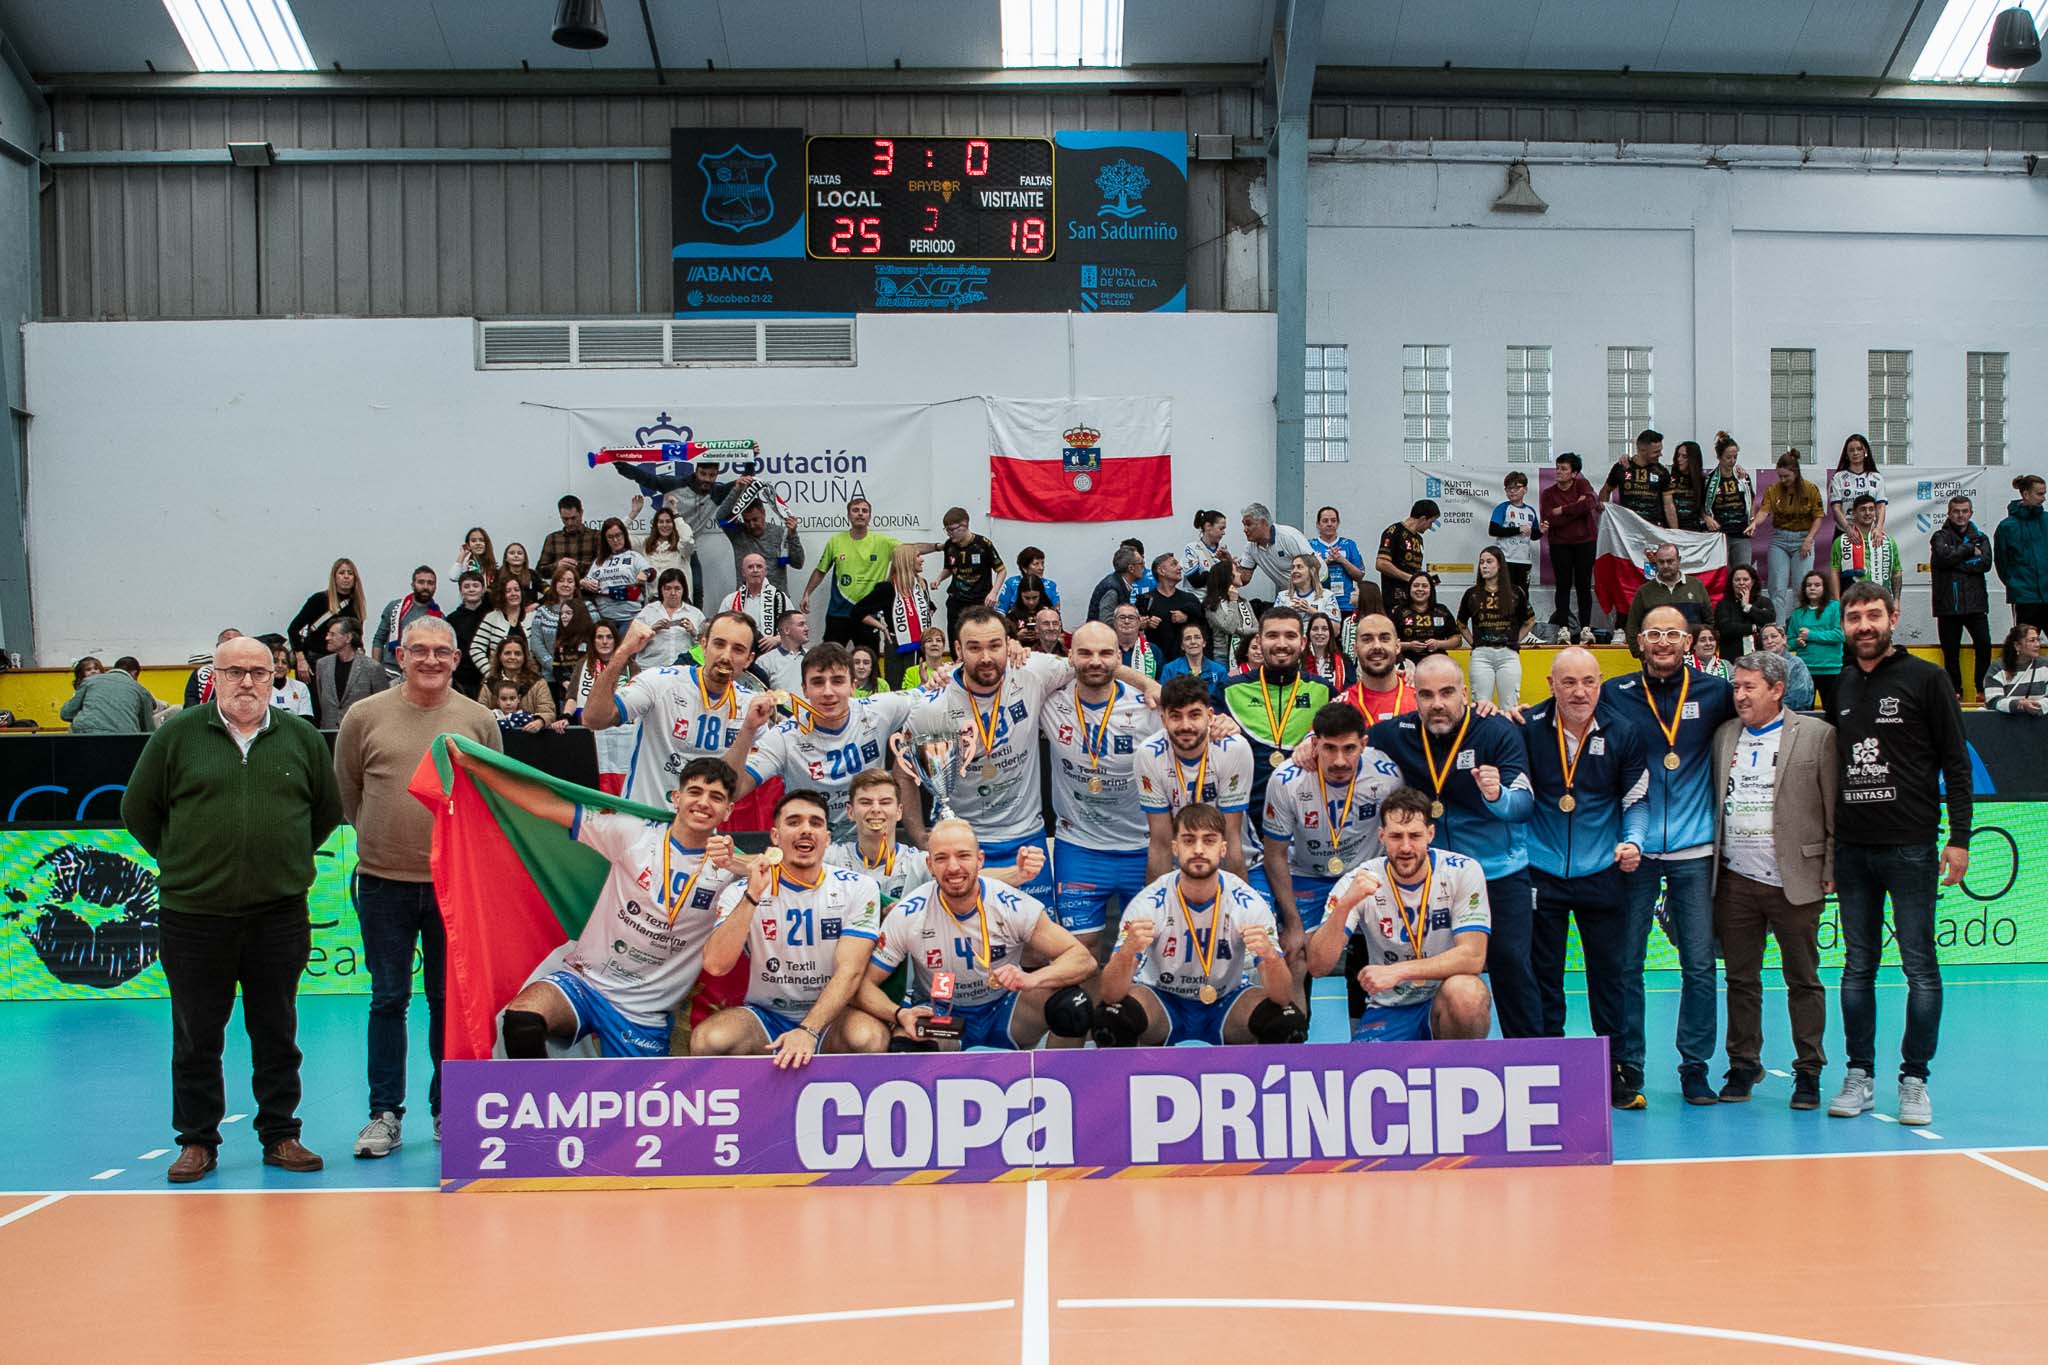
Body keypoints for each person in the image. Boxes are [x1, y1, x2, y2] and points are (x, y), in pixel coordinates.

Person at [122, 635, 340, 1183]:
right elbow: (138, 810)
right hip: (193, 917)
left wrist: (280, 862)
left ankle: (281, 1135)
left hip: (278, 915)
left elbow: (325, 812)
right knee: (196, 1034)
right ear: (213, 678)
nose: (247, 682)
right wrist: (186, 862)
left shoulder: (302, 739)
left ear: (276, 678)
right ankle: (197, 1141)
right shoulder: (176, 737)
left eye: (259, 672)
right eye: (235, 671)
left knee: (277, 1030)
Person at [335, 617, 502, 1155]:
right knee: (387, 998)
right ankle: (384, 1114)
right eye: (419, 651)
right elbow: (349, 791)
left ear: (457, 660)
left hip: (455, 886)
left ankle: (446, 1110)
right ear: (399, 657)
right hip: (382, 884)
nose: (430, 660)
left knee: (447, 1001)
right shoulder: (363, 717)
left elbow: (494, 797)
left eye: (441, 652)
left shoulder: (479, 721)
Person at [459, 752, 743, 1058]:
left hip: (643, 1014)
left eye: (716, 797)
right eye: (695, 792)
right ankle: (541, 1102)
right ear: (676, 797)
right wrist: (471, 764)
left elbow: (783, 870)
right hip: (585, 983)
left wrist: (742, 862)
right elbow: (545, 805)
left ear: (728, 811)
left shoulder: (729, 869)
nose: (703, 802)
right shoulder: (633, 833)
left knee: (639, 1103)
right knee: (523, 1020)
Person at [1830, 581, 1971, 1127]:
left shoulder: (1927, 679)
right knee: (1857, 967)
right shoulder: (1839, 685)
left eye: (1872, 616)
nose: (1864, 626)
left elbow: (1957, 767)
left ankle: (1914, 1080)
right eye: (1854, 618)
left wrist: (1958, 837)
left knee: (1921, 970)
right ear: (1843, 626)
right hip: (1853, 852)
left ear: (1893, 617)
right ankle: (1859, 1075)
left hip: (1912, 848)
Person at [1601, 604, 1737, 1105]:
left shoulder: (1716, 692)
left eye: (1672, 634)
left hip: (1695, 851)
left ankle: (1695, 1067)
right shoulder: (1614, 694)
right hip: (1634, 852)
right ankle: (1629, 1067)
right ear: (1639, 642)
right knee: (1627, 964)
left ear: (1689, 643)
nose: (1662, 642)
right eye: (1652, 633)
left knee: (1700, 963)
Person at [1368, 655, 1536, 1037]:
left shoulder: (1496, 731)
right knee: (1444, 976)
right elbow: (1346, 736)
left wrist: (1497, 796)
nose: (1437, 703)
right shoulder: (1398, 732)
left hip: (1498, 872)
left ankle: (1529, 1059)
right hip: (1436, 883)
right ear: (1415, 697)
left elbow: (1523, 804)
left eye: (1446, 692)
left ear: (1465, 693)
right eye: (1426, 695)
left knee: (1513, 967)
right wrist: (1310, 744)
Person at [1519, 647, 1649, 1107]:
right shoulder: (1528, 728)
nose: (1579, 692)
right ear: (1551, 684)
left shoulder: (1625, 732)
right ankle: (1549, 1066)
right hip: (1542, 871)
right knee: (1544, 976)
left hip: (1602, 871)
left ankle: (1614, 1068)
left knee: (1610, 977)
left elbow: (1636, 799)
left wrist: (1633, 841)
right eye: (1569, 682)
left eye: (1588, 682)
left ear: (1600, 684)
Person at [1713, 650, 1836, 1110]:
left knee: (1803, 978)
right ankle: (1744, 1063)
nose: (1740, 696)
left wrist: (1829, 869)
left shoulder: (1817, 736)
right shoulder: (1725, 735)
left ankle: (1809, 1071)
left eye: (1749, 687)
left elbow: (1832, 810)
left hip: (1795, 878)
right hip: (1735, 880)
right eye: (1736, 687)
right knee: (1741, 980)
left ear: (1777, 689)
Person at [857, 819, 1097, 1050]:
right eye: (941, 858)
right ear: (930, 866)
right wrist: (900, 1014)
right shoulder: (908, 913)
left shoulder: (1011, 904)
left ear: (979, 860)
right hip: (942, 1012)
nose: (953, 867)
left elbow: (1082, 959)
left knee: (1073, 1008)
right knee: (905, 1045)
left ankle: (1050, 1084)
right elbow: (863, 984)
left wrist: (1032, 980)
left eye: (963, 856)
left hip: (1005, 1008)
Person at [693, 789, 889, 1063]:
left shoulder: (858, 887)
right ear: (775, 837)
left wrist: (808, 1029)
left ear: (827, 839)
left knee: (868, 1038)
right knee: (709, 1040)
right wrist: (752, 896)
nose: (806, 830)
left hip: (832, 1016)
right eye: (794, 822)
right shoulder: (740, 891)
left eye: (816, 823)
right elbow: (715, 964)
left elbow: (850, 971)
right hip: (767, 1017)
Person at [907, 607, 1089, 899]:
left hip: (1026, 837)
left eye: (995, 645)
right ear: (957, 649)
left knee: (1035, 939)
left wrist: (1147, 685)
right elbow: (904, 770)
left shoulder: (1032, 671)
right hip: (964, 842)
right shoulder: (933, 704)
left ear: (1009, 643)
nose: (986, 657)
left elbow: (1093, 661)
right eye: (974, 647)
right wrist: (917, 833)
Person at [1090, 804, 1298, 1048]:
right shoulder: (1148, 902)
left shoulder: (1249, 903)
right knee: (1112, 1018)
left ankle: (1249, 1082)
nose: (1198, 850)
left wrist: (1270, 957)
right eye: (1189, 840)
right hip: (1162, 999)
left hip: (1225, 1000)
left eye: (1209, 841)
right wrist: (1126, 952)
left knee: (1286, 1021)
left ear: (1223, 849)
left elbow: (1283, 996)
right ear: (1175, 848)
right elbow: (1109, 994)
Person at [1308, 787, 1494, 1042]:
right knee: (1363, 1074)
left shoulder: (1463, 871)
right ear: (1382, 836)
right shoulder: (1359, 879)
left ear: (1430, 834)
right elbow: (1318, 966)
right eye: (1396, 836)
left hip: (1441, 1000)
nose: (1406, 847)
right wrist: (1344, 907)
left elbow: (1473, 957)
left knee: (1468, 994)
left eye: (1415, 836)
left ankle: (1461, 1072)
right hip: (1389, 1006)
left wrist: (1399, 971)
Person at [1040, 621, 1166, 947]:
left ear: (1118, 658)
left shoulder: (1149, 707)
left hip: (1141, 847)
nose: (1095, 661)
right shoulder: (1050, 701)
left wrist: (1222, 724)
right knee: (1080, 952)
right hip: (1079, 848)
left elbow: (1195, 727)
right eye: (1085, 652)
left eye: (1105, 653)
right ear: (1070, 656)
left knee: (1143, 949)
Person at [1261, 701, 1402, 981]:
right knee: (1295, 953)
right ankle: (1296, 1026)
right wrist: (1292, 924)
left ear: (1363, 744)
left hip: (1364, 875)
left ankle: (1362, 1023)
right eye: (1329, 748)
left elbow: (1397, 841)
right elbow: (1274, 853)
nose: (1339, 760)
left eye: (1349, 748)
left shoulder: (1387, 777)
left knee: (1377, 953)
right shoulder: (1286, 780)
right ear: (1314, 745)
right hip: (1306, 876)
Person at [727, 641, 919, 841]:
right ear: (805, 689)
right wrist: (748, 729)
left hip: (870, 838)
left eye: (837, 681)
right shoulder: (785, 736)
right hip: (812, 845)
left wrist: (942, 676)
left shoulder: (878, 709)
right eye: (818, 682)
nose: (828, 692)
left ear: (853, 686)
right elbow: (731, 791)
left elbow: (937, 694)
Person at [586, 609, 761, 805]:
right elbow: (593, 719)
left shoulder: (752, 708)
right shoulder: (661, 681)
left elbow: (734, 791)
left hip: (701, 828)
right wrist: (623, 653)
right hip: (643, 823)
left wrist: (749, 728)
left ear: (749, 659)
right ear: (703, 645)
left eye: (738, 649)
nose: (725, 656)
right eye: (719, 644)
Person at [1220, 609, 1332, 831]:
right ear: (1259, 641)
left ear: (1302, 642)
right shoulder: (1229, 690)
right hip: (1247, 822)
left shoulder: (1325, 691)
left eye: (1290, 636)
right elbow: (1183, 710)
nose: (1281, 644)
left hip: (1308, 820)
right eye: (1272, 636)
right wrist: (1215, 723)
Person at [1137, 675, 1257, 883]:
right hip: (1181, 866)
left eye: (1194, 715)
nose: (1186, 726)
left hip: (1241, 862)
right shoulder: (1148, 754)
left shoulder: (1234, 748)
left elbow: (1232, 837)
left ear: (1210, 716)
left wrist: (1237, 907)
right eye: (1176, 716)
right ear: (1163, 718)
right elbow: (1161, 842)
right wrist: (1157, 905)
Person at [807, 496, 916, 649]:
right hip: (838, 614)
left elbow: (909, 550)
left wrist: (938, 547)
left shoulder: (882, 542)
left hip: (868, 615)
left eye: (864, 511)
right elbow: (820, 571)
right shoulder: (835, 541)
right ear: (848, 515)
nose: (860, 514)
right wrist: (807, 593)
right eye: (855, 510)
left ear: (869, 516)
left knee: (869, 661)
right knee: (831, 660)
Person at [827, 769, 931, 907]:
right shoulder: (830, 860)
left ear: (899, 811)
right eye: (865, 802)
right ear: (850, 812)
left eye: (885, 802)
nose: (876, 809)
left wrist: (905, 916)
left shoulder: (922, 864)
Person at [1930, 494, 1995, 702]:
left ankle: (1982, 689)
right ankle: (1954, 691)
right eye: (1956, 511)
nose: (1960, 515)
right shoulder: (1939, 536)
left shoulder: (1981, 538)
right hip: (1948, 605)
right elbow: (1943, 557)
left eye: (1964, 511)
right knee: (1951, 652)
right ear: (1949, 513)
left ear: (1971, 513)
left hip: (1976, 605)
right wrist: (1968, 550)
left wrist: (1955, 560)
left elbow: (1984, 564)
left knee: (1984, 645)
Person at [1459, 545, 1534, 708]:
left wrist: (1515, 639)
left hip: (1508, 654)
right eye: (1481, 562)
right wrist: (1474, 643)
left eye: (1489, 562)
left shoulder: (1516, 592)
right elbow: (1461, 624)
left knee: (1510, 706)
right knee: (1480, 706)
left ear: (1499, 565)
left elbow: (1530, 620)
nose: (1484, 566)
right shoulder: (1471, 594)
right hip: (1481, 655)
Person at [1541, 452, 1600, 642]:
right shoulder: (1549, 493)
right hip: (1560, 544)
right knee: (1563, 586)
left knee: (1584, 586)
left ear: (1574, 473)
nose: (1558, 472)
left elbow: (1591, 503)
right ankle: (1563, 628)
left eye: (1563, 469)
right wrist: (1576, 507)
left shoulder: (1583, 485)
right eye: (1557, 467)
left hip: (1585, 542)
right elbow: (1549, 518)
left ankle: (1585, 628)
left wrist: (1564, 510)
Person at [1759, 449, 1824, 619]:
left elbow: (1818, 517)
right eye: (1779, 476)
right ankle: (1778, 630)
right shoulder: (1773, 490)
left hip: (1803, 539)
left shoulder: (1810, 489)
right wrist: (1753, 523)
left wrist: (1809, 540)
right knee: (1777, 587)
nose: (1782, 480)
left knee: (1801, 587)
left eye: (1786, 476)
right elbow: (1764, 511)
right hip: (1779, 540)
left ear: (1795, 472)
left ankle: (1799, 628)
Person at [717, 476, 807, 594]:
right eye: (747, 521)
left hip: (776, 598)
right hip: (746, 598)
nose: (752, 525)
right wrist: (737, 490)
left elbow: (798, 563)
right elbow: (721, 519)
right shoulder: (738, 533)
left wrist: (793, 535)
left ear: (763, 513)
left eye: (755, 519)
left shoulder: (781, 533)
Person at [1623, 543, 1711, 655]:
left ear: (1679, 560)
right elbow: (1632, 626)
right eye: (1661, 562)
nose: (1665, 565)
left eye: (1670, 561)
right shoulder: (1644, 592)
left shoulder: (1696, 586)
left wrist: (1702, 652)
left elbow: (1709, 622)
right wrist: (1641, 655)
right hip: (1658, 659)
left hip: (1694, 658)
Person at [287, 557, 366, 681]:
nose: (346, 577)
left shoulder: (356, 605)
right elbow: (293, 629)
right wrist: (301, 660)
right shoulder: (319, 600)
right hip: (315, 661)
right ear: (334, 577)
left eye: (350, 573)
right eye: (341, 573)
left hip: (342, 663)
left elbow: (357, 637)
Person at [933, 506, 1001, 642]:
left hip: (979, 600)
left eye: (952, 530)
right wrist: (939, 578)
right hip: (956, 600)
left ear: (965, 525)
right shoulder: (950, 545)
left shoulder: (983, 544)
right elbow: (950, 568)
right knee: (955, 639)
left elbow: (1001, 570)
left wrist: (993, 593)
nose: (949, 534)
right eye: (947, 530)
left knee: (980, 638)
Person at [1338, 612, 1415, 726]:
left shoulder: (1421, 699)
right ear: (1355, 649)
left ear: (1397, 646)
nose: (1377, 646)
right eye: (1367, 639)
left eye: (1384, 638)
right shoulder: (1341, 708)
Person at [1994, 473, 2048, 630]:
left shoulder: (2046, 520)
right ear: (2025, 494)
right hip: (2025, 597)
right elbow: (2001, 562)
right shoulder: (2007, 527)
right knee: (2025, 643)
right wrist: (2015, 584)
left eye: (2044, 493)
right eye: (2039, 494)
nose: (2043, 498)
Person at [530, 563, 593, 695]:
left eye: (570, 581)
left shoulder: (588, 607)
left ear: (576, 585)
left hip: (582, 677)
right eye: (561, 580)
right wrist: (554, 667)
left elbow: (594, 637)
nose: (565, 584)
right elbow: (536, 643)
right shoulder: (542, 611)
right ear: (554, 584)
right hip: (550, 677)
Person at [580, 516, 655, 627]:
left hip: (631, 617)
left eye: (618, 535)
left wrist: (645, 573)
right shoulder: (599, 561)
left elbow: (651, 572)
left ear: (624, 534)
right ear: (605, 540)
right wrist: (583, 582)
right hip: (605, 619)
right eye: (610, 537)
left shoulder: (634, 556)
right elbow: (587, 581)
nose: (615, 540)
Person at [1788, 571, 1844, 715]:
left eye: (1817, 585)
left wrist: (1811, 635)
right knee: (1804, 714)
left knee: (1833, 713)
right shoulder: (1797, 613)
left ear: (1825, 588)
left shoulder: (1835, 607)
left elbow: (1840, 635)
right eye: (1809, 585)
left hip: (1831, 670)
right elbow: (1789, 642)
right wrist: (1797, 642)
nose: (1812, 588)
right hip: (1805, 671)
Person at [370, 567, 442, 680]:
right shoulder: (395, 608)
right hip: (388, 672)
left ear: (435, 587)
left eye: (430, 583)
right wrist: (375, 671)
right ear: (413, 584)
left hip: (419, 674)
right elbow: (379, 639)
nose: (425, 587)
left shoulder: (439, 618)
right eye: (421, 582)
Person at [313, 617, 387, 728]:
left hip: (360, 734)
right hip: (329, 734)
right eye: (328, 634)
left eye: (333, 634)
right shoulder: (322, 665)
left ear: (348, 638)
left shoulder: (372, 668)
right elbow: (321, 699)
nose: (327, 638)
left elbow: (382, 706)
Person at [1829, 495, 1902, 601]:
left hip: (1881, 600)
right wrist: (1836, 601)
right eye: (1863, 509)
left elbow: (1896, 571)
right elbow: (1834, 572)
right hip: (1852, 599)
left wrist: (1896, 601)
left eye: (1871, 509)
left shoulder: (1888, 542)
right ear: (1854, 513)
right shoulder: (1840, 542)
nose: (1867, 513)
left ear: (1876, 513)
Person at [61, 655, 157, 734]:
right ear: (135, 673)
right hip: (123, 738)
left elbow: (66, 714)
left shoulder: (90, 681)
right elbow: (149, 731)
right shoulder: (140, 690)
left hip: (84, 734)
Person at [630, 568, 704, 670]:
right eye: (668, 588)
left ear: (684, 590)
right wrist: (651, 629)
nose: (673, 593)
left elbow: (706, 648)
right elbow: (631, 644)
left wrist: (694, 632)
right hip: (650, 670)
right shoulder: (648, 611)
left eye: (677, 588)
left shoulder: (695, 614)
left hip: (684, 672)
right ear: (661, 590)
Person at [1240, 501, 1315, 600]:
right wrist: (1228, 565)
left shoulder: (1288, 536)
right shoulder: (1250, 547)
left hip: (1317, 583)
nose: (1245, 529)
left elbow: (1313, 565)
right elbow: (1244, 578)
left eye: (1249, 524)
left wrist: (1310, 596)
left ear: (1263, 523)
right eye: (1244, 525)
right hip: (1291, 592)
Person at [1600, 427, 1675, 528]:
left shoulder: (1662, 472)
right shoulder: (1621, 467)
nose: (1660, 454)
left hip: (1654, 528)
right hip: (1628, 528)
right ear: (1642, 450)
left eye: (1660, 450)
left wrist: (1675, 533)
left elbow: (1669, 505)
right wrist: (1604, 513)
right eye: (1656, 452)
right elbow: (1606, 490)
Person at [1135, 552, 1203, 661]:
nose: (1180, 567)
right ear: (1161, 571)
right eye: (1174, 564)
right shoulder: (1145, 600)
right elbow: (1134, 629)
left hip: (1188, 663)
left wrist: (1187, 617)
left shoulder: (1190, 599)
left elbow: (1203, 626)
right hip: (1155, 662)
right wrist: (1145, 625)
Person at [1374, 499, 1440, 607]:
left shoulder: (1419, 539)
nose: (1430, 527)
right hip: (1395, 599)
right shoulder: (1394, 531)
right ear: (1423, 519)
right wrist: (1409, 578)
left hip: (1414, 599)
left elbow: (1412, 568)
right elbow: (1381, 563)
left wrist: (1425, 580)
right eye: (1431, 522)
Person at [479, 635, 557, 726]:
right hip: (497, 737)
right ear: (499, 657)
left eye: (517, 653)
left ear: (524, 657)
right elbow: (480, 713)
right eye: (507, 653)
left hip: (531, 736)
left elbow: (548, 711)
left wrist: (539, 722)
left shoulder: (538, 683)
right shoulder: (489, 684)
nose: (512, 657)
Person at [1488, 473, 1541, 605]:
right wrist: (1517, 529)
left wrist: (1542, 531)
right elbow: (1493, 530)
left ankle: (1521, 623)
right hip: (1506, 559)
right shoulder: (1503, 508)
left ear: (1525, 489)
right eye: (1508, 488)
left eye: (1516, 488)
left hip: (1523, 561)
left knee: (1522, 594)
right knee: (1504, 593)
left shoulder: (1530, 511)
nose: (1512, 491)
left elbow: (1534, 535)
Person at [1828, 433, 1888, 547]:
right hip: (1844, 532)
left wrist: (1879, 528)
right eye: (1851, 450)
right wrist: (1848, 529)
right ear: (1846, 454)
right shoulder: (1838, 477)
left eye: (1859, 449)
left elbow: (1881, 506)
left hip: (1870, 533)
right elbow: (1836, 508)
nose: (1855, 453)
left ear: (1865, 451)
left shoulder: (1876, 477)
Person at [1705, 432, 1755, 566]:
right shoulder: (1710, 481)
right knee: (1723, 576)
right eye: (1728, 457)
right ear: (1719, 457)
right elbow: (1702, 506)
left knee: (1743, 572)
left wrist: (1752, 521)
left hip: (1741, 533)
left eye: (1735, 457)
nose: (1732, 461)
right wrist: (1707, 518)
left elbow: (1751, 500)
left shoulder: (1742, 477)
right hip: (1720, 536)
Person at [723, 551, 795, 645]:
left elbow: (794, 628)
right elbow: (720, 629)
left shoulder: (780, 598)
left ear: (765, 571)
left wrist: (777, 639)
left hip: (773, 653)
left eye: (759, 566)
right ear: (743, 573)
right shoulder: (730, 600)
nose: (755, 570)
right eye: (750, 567)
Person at [1204, 553, 1258, 671]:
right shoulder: (1212, 604)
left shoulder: (1243, 601)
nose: (1240, 574)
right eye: (1236, 571)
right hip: (1223, 657)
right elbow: (1229, 627)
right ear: (1228, 577)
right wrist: (1233, 601)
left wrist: (1240, 631)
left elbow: (1257, 628)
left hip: (1245, 653)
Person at [1309, 505, 1368, 615]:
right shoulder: (1310, 545)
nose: (1330, 524)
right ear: (1318, 524)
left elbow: (1359, 575)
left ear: (1338, 523)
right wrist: (1326, 562)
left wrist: (1342, 560)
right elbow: (1307, 576)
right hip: (1319, 603)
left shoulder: (1349, 544)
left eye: (1333, 521)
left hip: (1345, 604)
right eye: (1325, 521)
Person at [444, 571, 491, 701]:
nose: (471, 589)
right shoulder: (452, 619)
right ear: (461, 591)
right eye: (467, 586)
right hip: (462, 678)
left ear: (483, 589)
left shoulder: (493, 615)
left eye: (475, 585)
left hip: (487, 674)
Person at [1392, 571, 1460, 662]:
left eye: (1424, 586)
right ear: (1409, 589)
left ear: (1431, 589)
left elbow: (1457, 640)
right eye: (1416, 585)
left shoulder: (1442, 610)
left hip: (1438, 662)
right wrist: (1409, 646)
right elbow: (1388, 642)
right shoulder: (1398, 611)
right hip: (1407, 663)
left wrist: (1438, 644)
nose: (1420, 589)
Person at [1713, 563, 1774, 661]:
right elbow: (1726, 628)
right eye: (1737, 580)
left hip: (1761, 659)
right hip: (1732, 659)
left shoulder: (1764, 602)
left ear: (1753, 582)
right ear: (1731, 583)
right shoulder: (1723, 604)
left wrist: (1747, 607)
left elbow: (1769, 619)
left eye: (1745, 579)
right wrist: (1753, 628)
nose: (1741, 583)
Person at [539, 494, 604, 584]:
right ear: (560, 515)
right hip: (560, 593)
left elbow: (604, 568)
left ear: (581, 513)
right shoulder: (552, 538)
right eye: (565, 519)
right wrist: (557, 566)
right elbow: (539, 571)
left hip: (588, 592)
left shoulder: (596, 536)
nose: (570, 523)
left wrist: (576, 565)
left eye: (573, 518)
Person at [1984, 623, 2048, 713]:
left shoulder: (2045, 665)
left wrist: (2039, 706)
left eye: (2038, 640)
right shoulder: (1998, 668)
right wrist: (2018, 704)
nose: (2037, 645)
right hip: (2006, 723)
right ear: (2017, 646)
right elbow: (1992, 700)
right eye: (2032, 640)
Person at [1758, 622, 1816, 711]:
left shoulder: (1796, 664)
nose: (1769, 641)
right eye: (1765, 638)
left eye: (1774, 636)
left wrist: (1769, 709)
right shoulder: (1758, 666)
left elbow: (1799, 700)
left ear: (1784, 639)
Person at [753, 608, 810, 694]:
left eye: (806, 624)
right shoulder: (765, 662)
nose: (807, 628)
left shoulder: (813, 657)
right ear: (786, 630)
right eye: (801, 624)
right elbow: (757, 694)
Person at [1159, 621, 1225, 693]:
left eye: (1197, 637)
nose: (1193, 642)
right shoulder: (1170, 670)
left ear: (1204, 643)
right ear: (1182, 646)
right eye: (1188, 638)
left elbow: (1223, 701)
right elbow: (1164, 699)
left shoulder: (1219, 671)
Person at [995, 545, 1063, 614]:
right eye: (1036, 564)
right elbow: (1001, 611)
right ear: (1024, 568)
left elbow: (1055, 612)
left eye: (1042, 563)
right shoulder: (1011, 583)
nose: (1041, 568)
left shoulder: (1051, 585)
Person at [1275, 552, 1340, 623]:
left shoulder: (1327, 595)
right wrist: (1289, 614)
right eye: (1293, 568)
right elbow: (1272, 624)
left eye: (1299, 567)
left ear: (1312, 571)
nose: (1294, 571)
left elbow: (1335, 629)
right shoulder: (1282, 596)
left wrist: (1312, 611)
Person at [1088, 546, 1146, 625]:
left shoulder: (1121, 583)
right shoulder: (1112, 589)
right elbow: (1106, 622)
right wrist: (1135, 623)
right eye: (1141, 563)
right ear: (1131, 568)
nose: (1144, 567)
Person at [642, 505, 693, 587]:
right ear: (656, 524)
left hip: (678, 598)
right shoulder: (646, 544)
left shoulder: (681, 546)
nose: (664, 525)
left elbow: (687, 539)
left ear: (674, 524)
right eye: (661, 522)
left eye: (668, 521)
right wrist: (634, 513)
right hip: (654, 598)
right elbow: (620, 539)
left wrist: (676, 514)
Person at [1180, 508, 1229, 591]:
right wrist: (1220, 572)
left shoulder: (1223, 547)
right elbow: (1196, 581)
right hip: (1198, 601)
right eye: (1221, 528)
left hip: (1218, 600)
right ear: (1208, 526)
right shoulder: (1192, 549)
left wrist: (1231, 564)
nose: (1224, 532)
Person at [1302, 612, 1349, 692]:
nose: (1320, 633)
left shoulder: (1344, 660)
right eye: (1315, 629)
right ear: (1309, 633)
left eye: (1324, 629)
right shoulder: (1299, 659)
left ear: (1330, 633)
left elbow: (1349, 690)